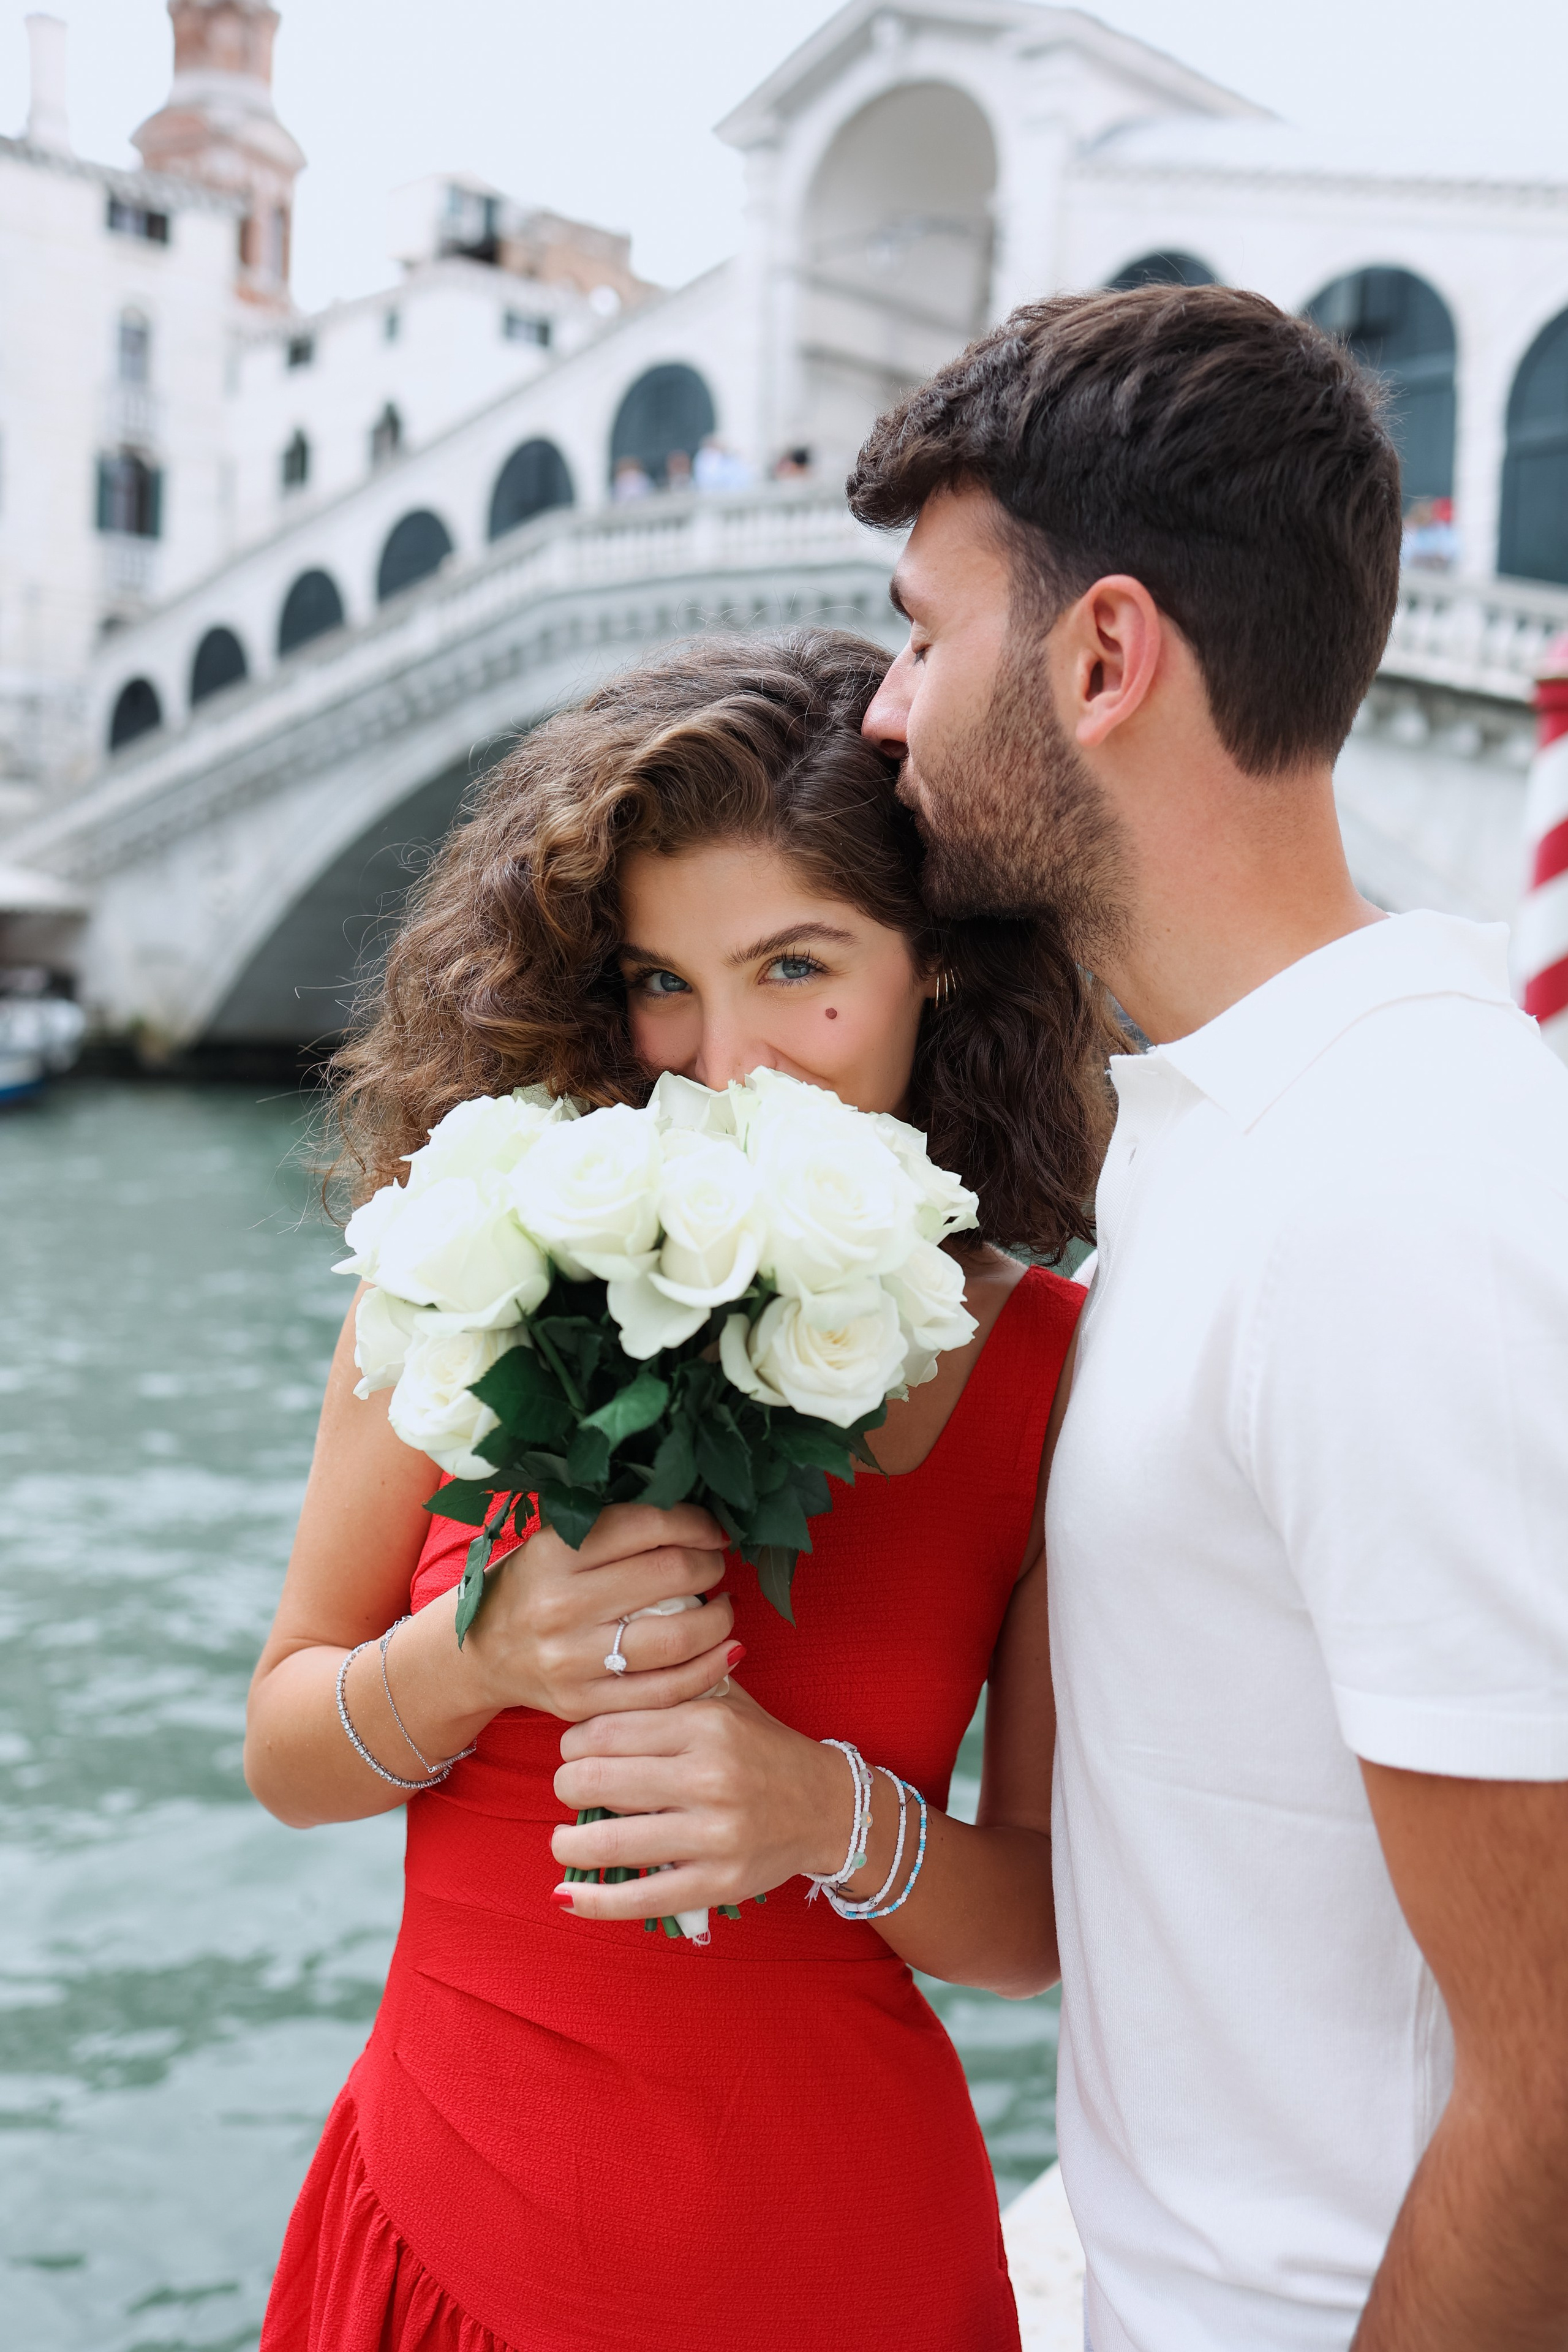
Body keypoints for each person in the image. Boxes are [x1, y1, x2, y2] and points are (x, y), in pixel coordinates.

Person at [247, 630, 1118, 2352]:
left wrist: (818, 1818)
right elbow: (287, 1750)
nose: (723, 1060)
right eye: (662, 981)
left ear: (934, 961)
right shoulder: (465, 1256)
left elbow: (1032, 1926)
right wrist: (475, 1657)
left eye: (799, 968)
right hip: (440, 2241)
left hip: (841, 2269)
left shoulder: (1056, 1369)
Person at [843, 285, 1568, 2350]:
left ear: (1099, 657)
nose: (887, 710)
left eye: (925, 631)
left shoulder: (1400, 1186)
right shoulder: (1220, 1130)